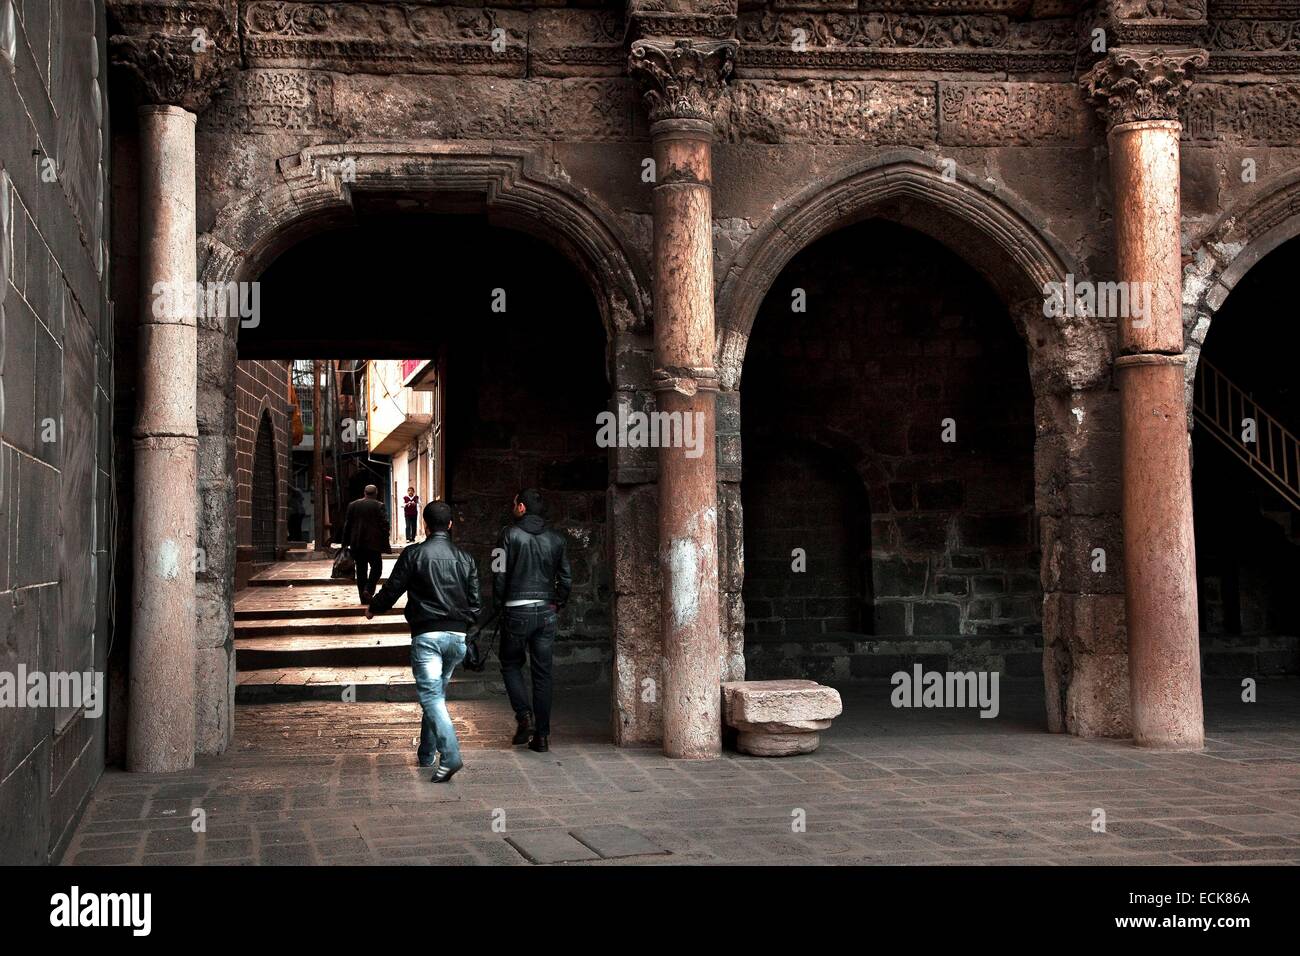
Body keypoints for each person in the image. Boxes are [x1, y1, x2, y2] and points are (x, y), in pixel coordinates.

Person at [367, 501, 480, 782]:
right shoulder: (466, 558)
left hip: (427, 636)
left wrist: (374, 608)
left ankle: (450, 755)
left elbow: (393, 588)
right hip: (456, 638)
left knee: (431, 698)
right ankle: (427, 753)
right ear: (451, 525)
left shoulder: (414, 554)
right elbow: (476, 605)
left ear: (425, 526)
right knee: (436, 697)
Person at [493, 488, 571, 753]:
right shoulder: (557, 539)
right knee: (543, 674)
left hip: (516, 609)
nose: (513, 506)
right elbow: (566, 578)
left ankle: (524, 715)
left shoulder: (507, 535)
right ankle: (542, 737)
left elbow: (498, 572)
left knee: (511, 663)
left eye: (515, 503)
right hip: (546, 610)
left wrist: (499, 603)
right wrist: (558, 601)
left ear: (523, 507)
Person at [341, 484, 389, 605]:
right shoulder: (379, 506)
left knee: (361, 570)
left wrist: (344, 543)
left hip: (357, 544)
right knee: (377, 568)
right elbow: (384, 525)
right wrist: (385, 541)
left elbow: (347, 525)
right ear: (376, 493)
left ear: (364, 493)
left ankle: (363, 598)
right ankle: (369, 589)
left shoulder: (353, 505)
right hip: (373, 544)